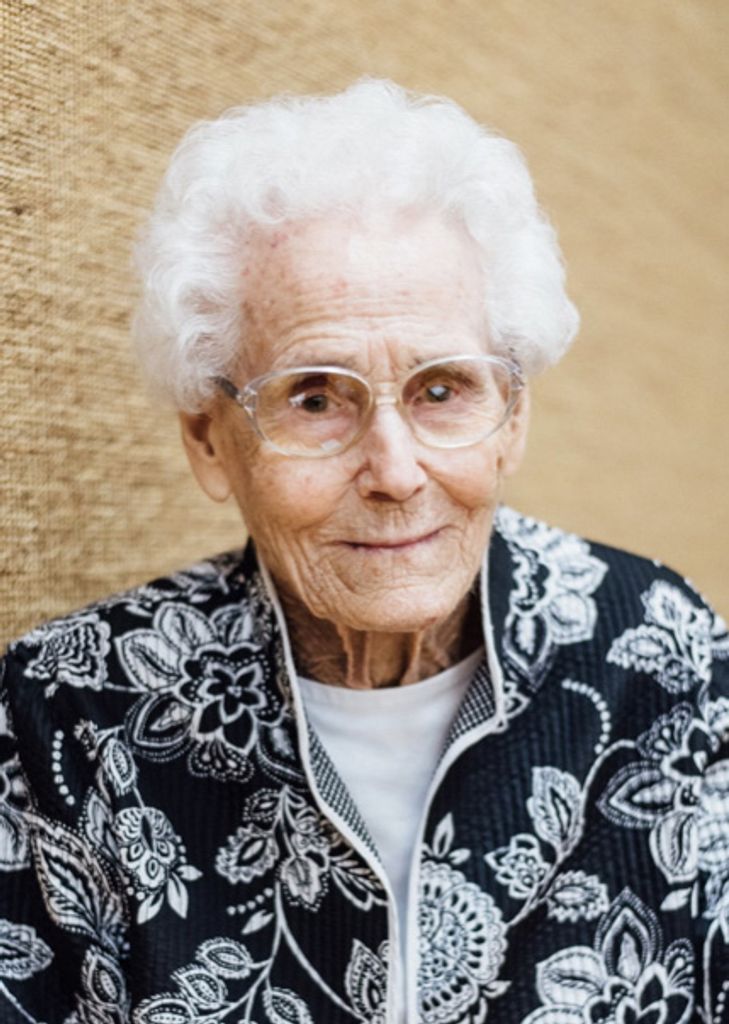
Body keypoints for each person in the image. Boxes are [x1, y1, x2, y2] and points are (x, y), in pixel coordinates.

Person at [1, 79, 727, 1024]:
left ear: (512, 417)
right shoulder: (70, 713)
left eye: (442, 391)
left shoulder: (658, 654)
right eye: (314, 398)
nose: (394, 471)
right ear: (209, 441)